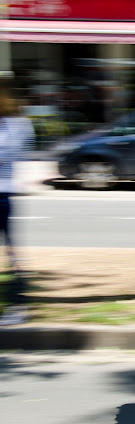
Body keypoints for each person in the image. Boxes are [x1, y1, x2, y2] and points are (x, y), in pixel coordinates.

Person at [0, 75, 36, 326]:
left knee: (12, 253)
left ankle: (18, 306)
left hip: (1, 194)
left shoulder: (17, 125)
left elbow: (7, 154)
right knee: (11, 251)